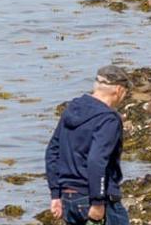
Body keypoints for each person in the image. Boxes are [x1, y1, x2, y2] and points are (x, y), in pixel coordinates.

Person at [45, 64, 131, 225]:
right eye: (125, 93)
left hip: (68, 197)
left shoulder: (72, 108)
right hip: (93, 198)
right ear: (119, 90)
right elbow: (96, 160)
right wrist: (98, 202)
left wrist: (55, 195)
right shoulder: (108, 119)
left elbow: (52, 152)